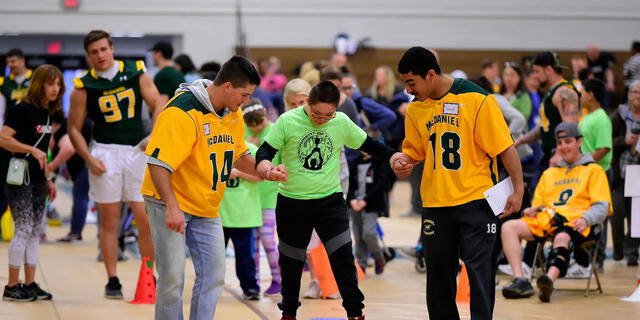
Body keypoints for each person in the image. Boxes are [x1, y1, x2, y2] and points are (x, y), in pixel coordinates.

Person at [391, 46, 524, 320]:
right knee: (438, 279)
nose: (408, 90)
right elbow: (415, 151)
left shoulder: (477, 99)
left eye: (411, 82)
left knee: (479, 274)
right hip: (436, 205)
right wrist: (404, 162)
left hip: (477, 202)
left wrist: (518, 189)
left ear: (430, 75)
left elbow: (505, 148)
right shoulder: (416, 110)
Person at [141, 56, 279, 320]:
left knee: (214, 275)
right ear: (227, 86)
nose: (246, 101)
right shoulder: (181, 111)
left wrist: (266, 170)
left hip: (206, 205)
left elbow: (239, 154)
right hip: (169, 201)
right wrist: (171, 207)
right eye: (244, 94)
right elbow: (157, 164)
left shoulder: (233, 112)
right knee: (172, 279)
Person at [255, 81, 403, 320]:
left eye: (328, 115)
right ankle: (289, 313)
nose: (321, 119)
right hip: (293, 203)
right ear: (308, 104)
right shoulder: (287, 120)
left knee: (343, 259)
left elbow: (368, 144)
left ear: (336, 109)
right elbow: (264, 152)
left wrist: (393, 155)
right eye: (316, 114)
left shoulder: (341, 121)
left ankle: (355, 313)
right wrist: (267, 168)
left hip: (329, 202)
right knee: (291, 264)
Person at [68, 30, 163, 298]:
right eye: (94, 52)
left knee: (144, 219)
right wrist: (88, 158)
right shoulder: (83, 85)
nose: (100, 55)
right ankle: (112, 279)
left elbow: (158, 104)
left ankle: (148, 273)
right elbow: (73, 129)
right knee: (109, 223)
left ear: (111, 49)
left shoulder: (136, 71)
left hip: (136, 151)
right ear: (88, 56)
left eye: (103, 49)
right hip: (105, 153)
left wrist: (153, 136)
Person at [501, 122, 611, 302]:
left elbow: (601, 207)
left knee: (563, 236)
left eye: (568, 142)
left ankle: (548, 282)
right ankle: (521, 280)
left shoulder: (594, 170)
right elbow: (539, 205)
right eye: (560, 143)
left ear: (579, 142)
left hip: (579, 223)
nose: (563, 147)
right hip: (549, 221)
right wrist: (532, 210)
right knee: (508, 228)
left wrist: (586, 219)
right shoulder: (549, 173)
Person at [0, 64, 65, 302]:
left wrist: (48, 179)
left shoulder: (47, 112)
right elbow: (3, 139)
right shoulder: (22, 110)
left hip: (38, 178)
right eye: (50, 84)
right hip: (18, 175)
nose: (55, 89)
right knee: (23, 229)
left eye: (58, 84)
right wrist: (30, 150)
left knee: (35, 232)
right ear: (39, 84)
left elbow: (42, 149)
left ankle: (29, 283)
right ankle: (11, 285)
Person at [515, 51, 580, 171]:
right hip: (550, 156)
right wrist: (521, 140)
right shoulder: (552, 93)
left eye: (536, 71)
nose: (534, 76)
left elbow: (571, 127)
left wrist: (559, 154)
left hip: (561, 158)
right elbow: (545, 127)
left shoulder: (564, 92)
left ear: (548, 70)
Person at [242, 99, 282, 296]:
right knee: (253, 243)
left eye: (260, 123)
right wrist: (249, 142)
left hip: (270, 196)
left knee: (267, 239)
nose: (257, 128)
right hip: (249, 197)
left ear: (265, 114)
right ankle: (253, 283)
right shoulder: (245, 131)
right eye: (252, 126)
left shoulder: (275, 131)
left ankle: (278, 279)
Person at [574, 78, 612, 273]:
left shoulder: (601, 118)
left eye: (583, 92)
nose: (580, 96)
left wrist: (587, 164)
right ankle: (583, 261)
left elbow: (604, 147)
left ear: (591, 95)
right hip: (585, 173)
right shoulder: (587, 116)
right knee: (585, 213)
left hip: (600, 172)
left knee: (599, 215)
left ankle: (599, 258)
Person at [220, 141, 263, 300]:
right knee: (214, 258)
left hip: (243, 214)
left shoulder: (250, 149)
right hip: (218, 214)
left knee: (245, 257)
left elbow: (261, 176)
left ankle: (250, 287)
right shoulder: (214, 145)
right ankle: (209, 286)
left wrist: (238, 173)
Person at [347, 126, 389, 275]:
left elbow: (380, 184)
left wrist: (364, 200)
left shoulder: (379, 163)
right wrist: (352, 200)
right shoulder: (355, 163)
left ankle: (378, 256)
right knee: (358, 236)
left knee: (369, 234)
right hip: (355, 205)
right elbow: (350, 184)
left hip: (370, 205)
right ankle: (361, 265)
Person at [610, 79, 640, 266]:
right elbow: (608, 141)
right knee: (617, 211)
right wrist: (624, 141)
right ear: (628, 95)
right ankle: (618, 251)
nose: (638, 96)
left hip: (638, 172)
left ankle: (632, 253)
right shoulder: (618, 115)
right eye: (635, 92)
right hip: (620, 171)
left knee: (636, 215)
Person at [52, 118, 93, 242]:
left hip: (84, 166)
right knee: (85, 199)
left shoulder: (64, 128)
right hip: (88, 164)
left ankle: (75, 232)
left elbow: (69, 149)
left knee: (80, 198)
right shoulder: (87, 122)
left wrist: (52, 166)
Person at [500, 62, 533, 130]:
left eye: (512, 75)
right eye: (506, 74)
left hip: (519, 136)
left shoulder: (524, 97)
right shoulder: (498, 96)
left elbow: (522, 118)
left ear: (519, 77)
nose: (508, 78)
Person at [0, 48, 32, 112]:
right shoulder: (3, 82)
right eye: (7, 62)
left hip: (33, 120)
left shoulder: (35, 78)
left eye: (13, 61)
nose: (9, 65)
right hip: (11, 121)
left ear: (22, 61)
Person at [586, 45, 616, 109]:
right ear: (589, 54)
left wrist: (610, 83)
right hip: (589, 84)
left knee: (609, 90)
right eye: (594, 53)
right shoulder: (586, 61)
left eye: (597, 53)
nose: (597, 54)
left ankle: (606, 109)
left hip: (601, 84)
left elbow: (608, 72)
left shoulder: (602, 59)